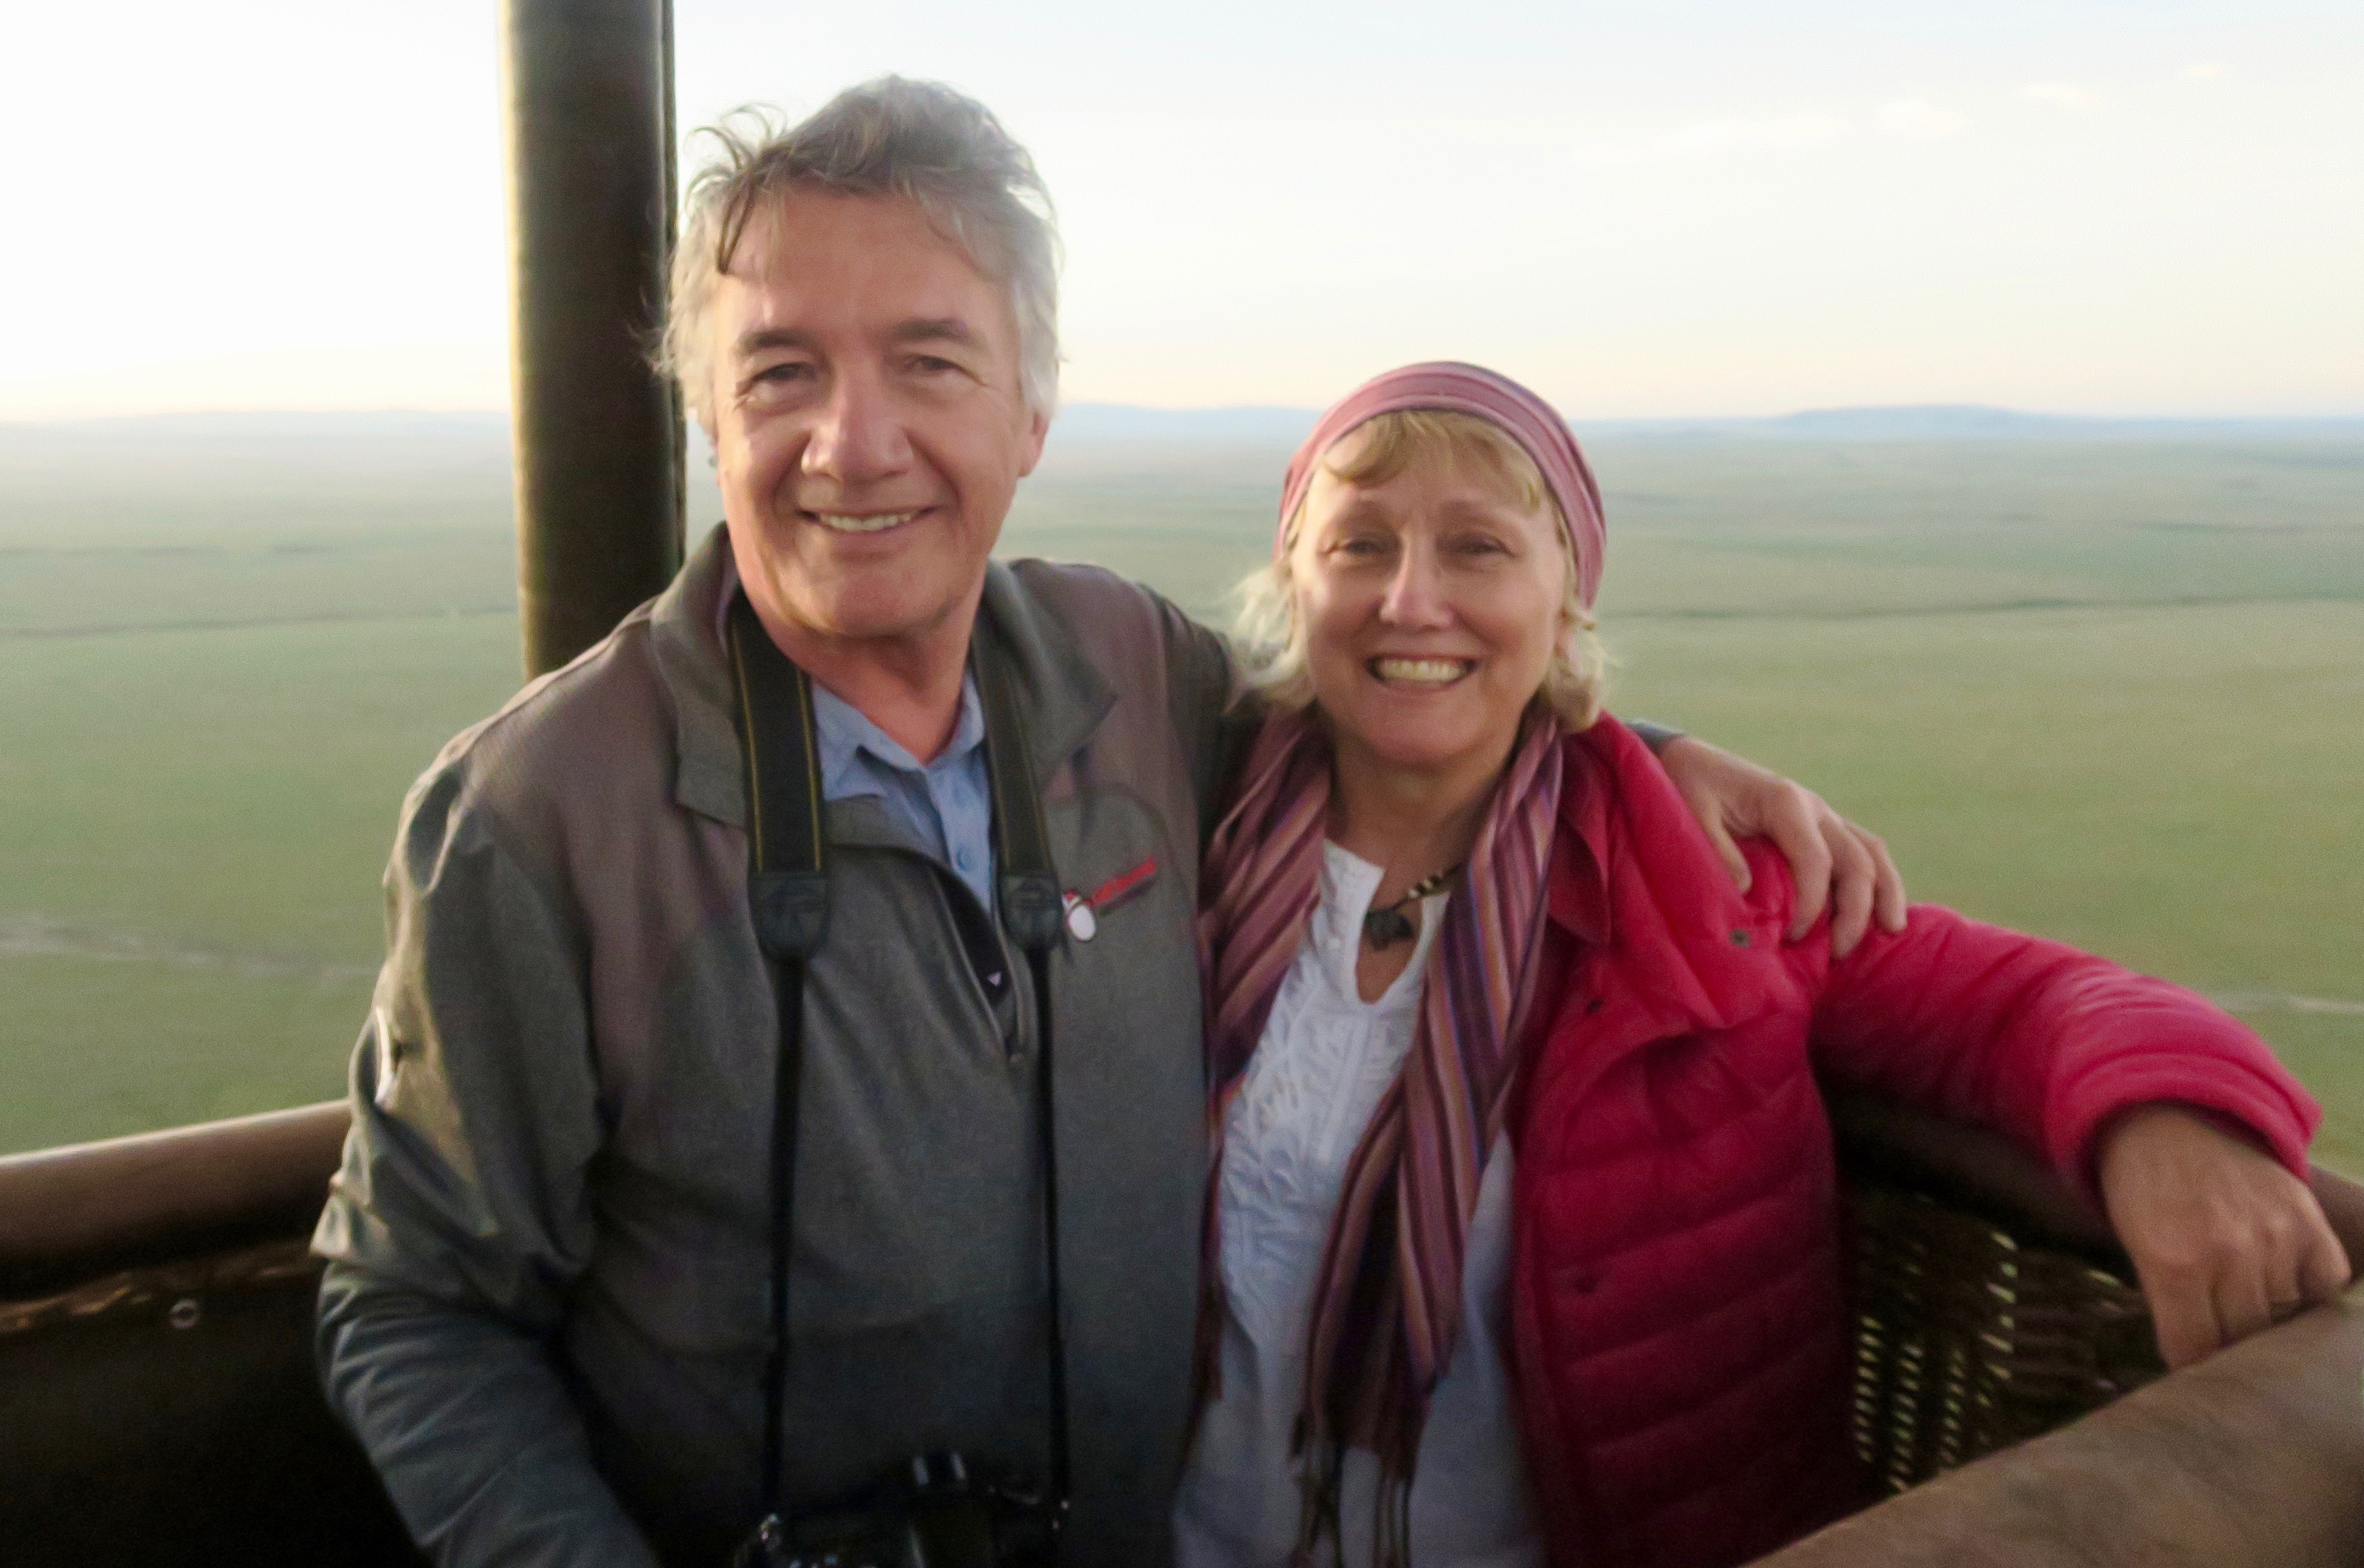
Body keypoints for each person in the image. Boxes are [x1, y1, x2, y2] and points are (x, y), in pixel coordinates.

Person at [313, 83, 1898, 1568]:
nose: (853, 443)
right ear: (706, 422)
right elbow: (416, 1307)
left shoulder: (1126, 669)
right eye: (782, 371)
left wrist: (1637, 752)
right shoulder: (542, 818)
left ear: (1032, 418)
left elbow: (1399, 709)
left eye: (931, 362)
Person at [1177, 363, 2350, 1568]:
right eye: (1360, 545)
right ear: (1293, 584)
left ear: (1566, 603)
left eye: (1478, 549)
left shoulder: (1707, 881)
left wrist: (2166, 1124)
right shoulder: (1167, 846)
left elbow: (2022, 1002)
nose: (1411, 599)